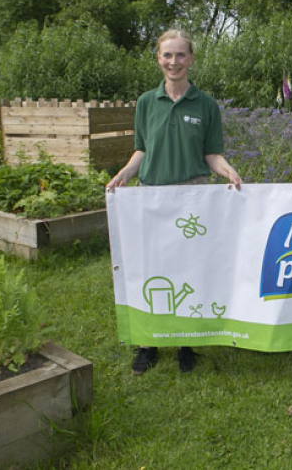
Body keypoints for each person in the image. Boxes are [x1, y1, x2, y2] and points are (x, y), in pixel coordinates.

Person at [107, 29, 242, 376]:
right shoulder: (146, 102)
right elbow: (142, 149)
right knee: (149, 269)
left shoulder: (206, 105)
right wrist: (125, 173)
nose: (174, 62)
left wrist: (228, 172)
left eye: (181, 55)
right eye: (168, 55)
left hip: (191, 198)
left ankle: (186, 344)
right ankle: (147, 343)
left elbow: (212, 154)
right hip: (150, 198)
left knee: (189, 270)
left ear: (192, 59)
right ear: (158, 59)